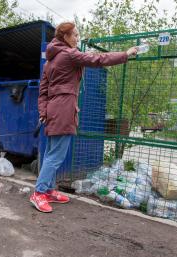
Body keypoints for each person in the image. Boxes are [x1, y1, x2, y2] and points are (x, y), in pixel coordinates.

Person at [30, 22, 138, 213]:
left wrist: (43, 112)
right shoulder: (69, 54)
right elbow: (98, 59)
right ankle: (38, 193)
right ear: (65, 37)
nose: (78, 39)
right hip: (63, 109)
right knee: (55, 156)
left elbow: (43, 91)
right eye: (75, 35)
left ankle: (47, 190)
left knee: (50, 153)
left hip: (54, 110)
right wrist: (125, 54)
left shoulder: (50, 60)